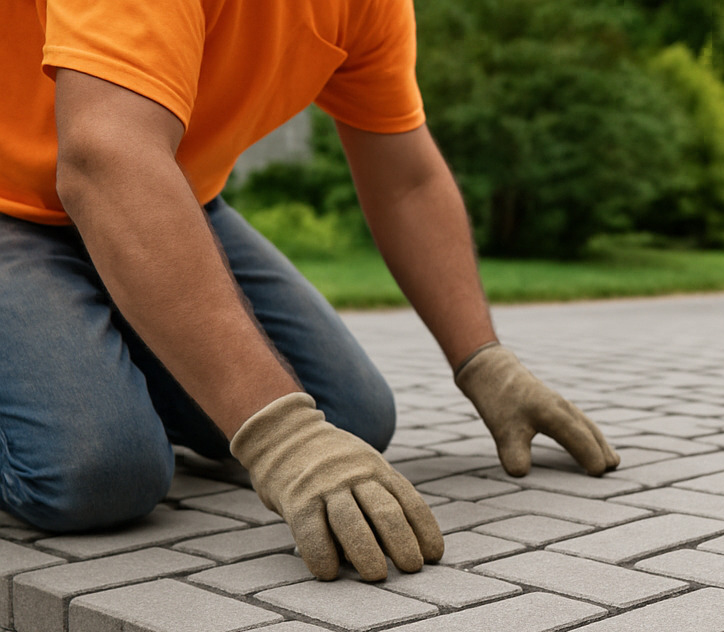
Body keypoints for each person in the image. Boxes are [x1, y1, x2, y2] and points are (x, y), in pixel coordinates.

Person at [0, 0, 618, 583]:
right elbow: (103, 156)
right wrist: (279, 437)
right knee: (96, 476)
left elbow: (406, 178)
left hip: (163, 194)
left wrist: (484, 360)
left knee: (349, 417)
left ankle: (88, 365)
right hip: (29, 201)